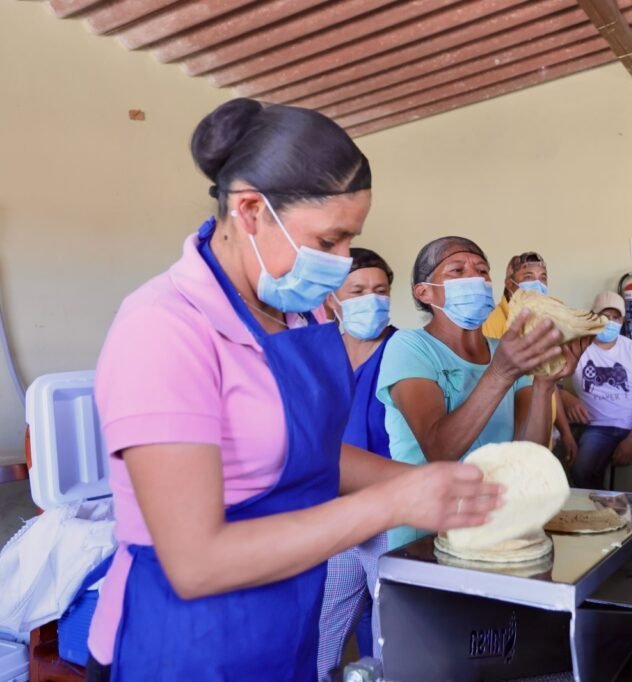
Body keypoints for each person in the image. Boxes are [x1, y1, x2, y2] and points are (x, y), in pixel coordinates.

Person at [86, 99, 501, 682]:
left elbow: (307, 454)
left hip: (288, 622)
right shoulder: (164, 327)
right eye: (329, 240)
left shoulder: (298, 317)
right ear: (251, 210)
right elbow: (196, 561)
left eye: (349, 240)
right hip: (188, 642)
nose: (339, 261)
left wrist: (430, 486)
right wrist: (391, 504)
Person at [377, 237, 581, 549]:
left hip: (499, 527)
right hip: (427, 535)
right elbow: (439, 450)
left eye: (482, 271)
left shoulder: (506, 352)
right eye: (457, 270)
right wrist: (500, 372)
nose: (475, 278)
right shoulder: (409, 347)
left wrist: (543, 385)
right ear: (424, 292)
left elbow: (528, 456)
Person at [317, 248, 395, 679]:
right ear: (334, 299)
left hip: (390, 512)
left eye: (381, 290)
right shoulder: (321, 352)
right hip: (336, 512)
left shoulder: (403, 350)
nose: (372, 299)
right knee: (324, 629)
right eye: (359, 291)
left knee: (389, 635)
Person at [481, 251, 579, 464]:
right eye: (528, 277)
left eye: (542, 277)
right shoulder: (496, 323)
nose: (538, 283)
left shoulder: (543, 322)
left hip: (542, 432)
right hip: (512, 441)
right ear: (510, 284)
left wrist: (564, 430)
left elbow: (548, 383)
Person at [570, 292, 632, 490]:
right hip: (598, 427)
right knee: (581, 470)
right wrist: (566, 397)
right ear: (592, 317)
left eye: (616, 317)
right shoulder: (577, 347)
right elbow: (550, 382)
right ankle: (603, 513)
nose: (610, 322)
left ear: (622, 320)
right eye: (604, 316)